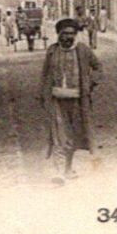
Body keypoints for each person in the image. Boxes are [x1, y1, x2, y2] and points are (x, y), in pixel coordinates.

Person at [39, 18, 100, 184]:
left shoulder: (83, 50)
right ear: (58, 34)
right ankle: (58, 171)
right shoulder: (52, 51)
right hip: (56, 100)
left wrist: (91, 83)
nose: (67, 37)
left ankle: (67, 167)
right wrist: (42, 95)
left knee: (72, 137)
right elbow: (45, 74)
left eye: (71, 34)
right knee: (59, 136)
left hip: (78, 101)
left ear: (75, 35)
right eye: (64, 33)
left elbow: (98, 67)